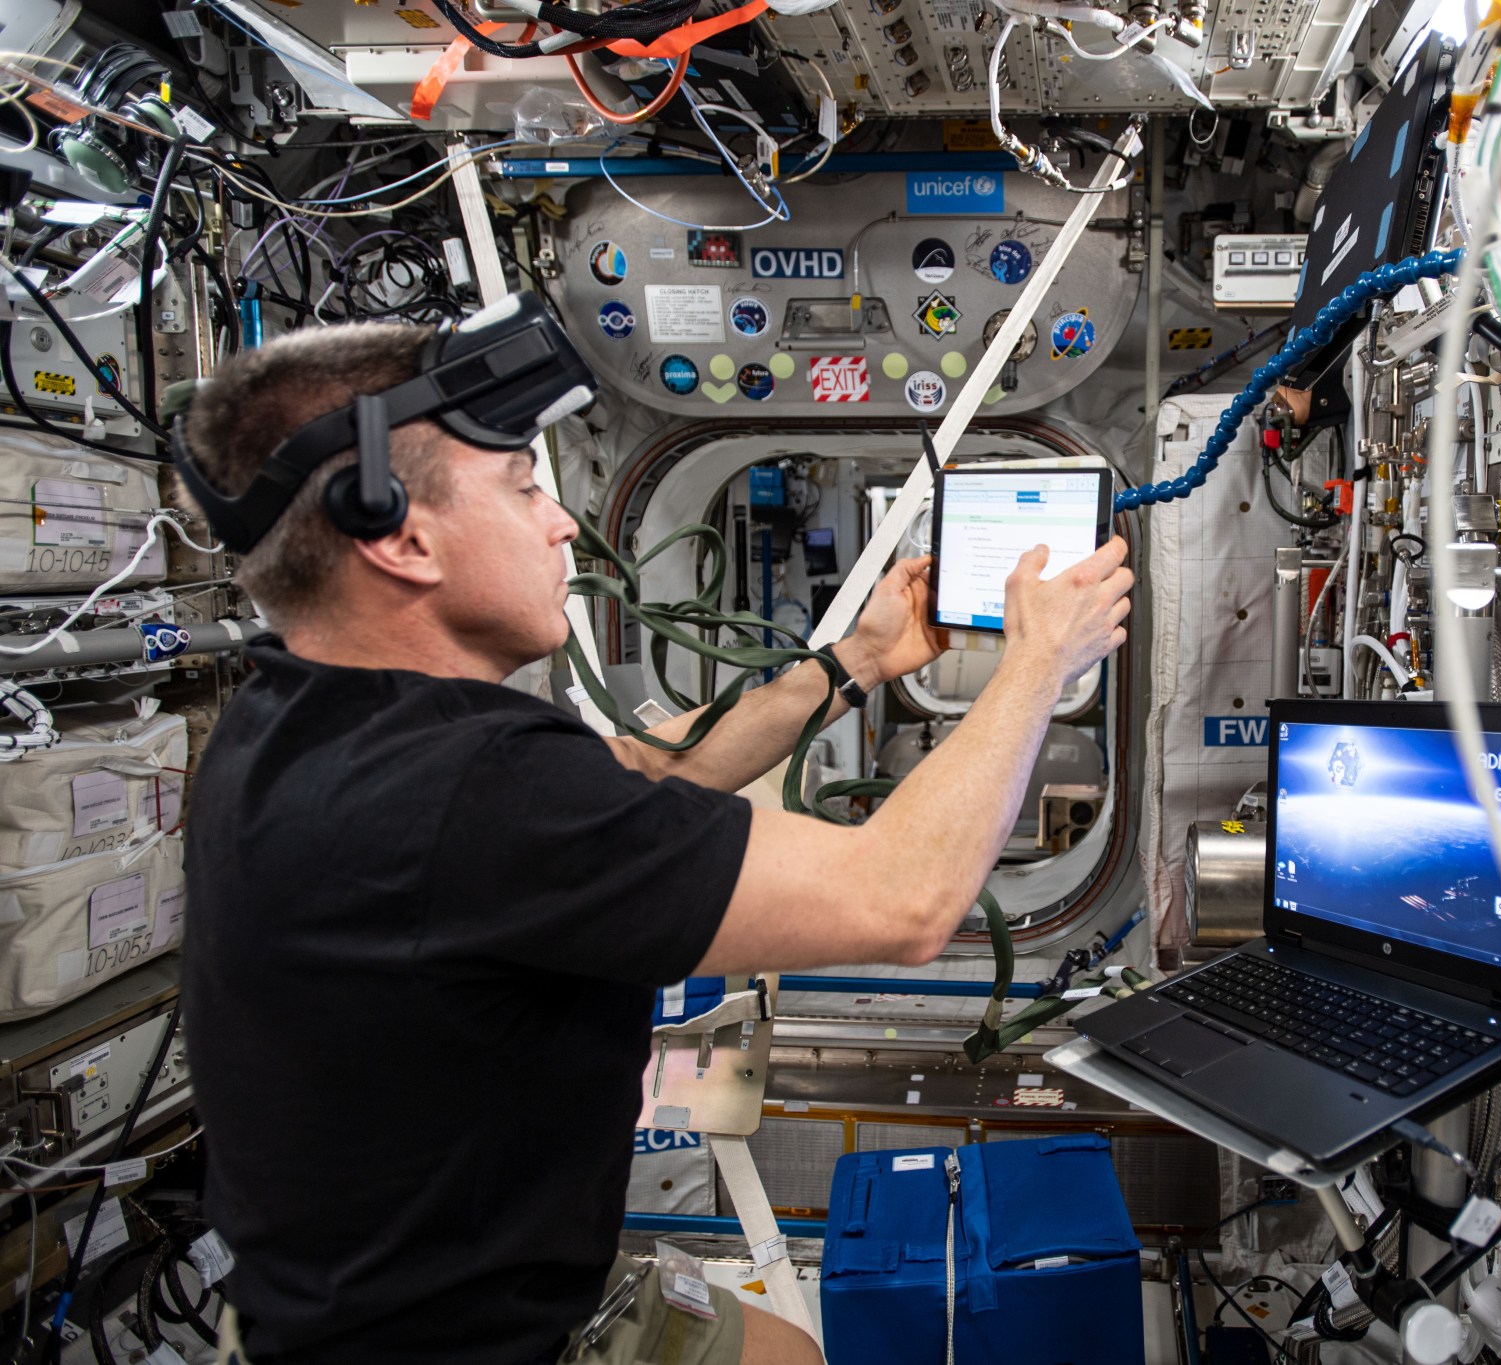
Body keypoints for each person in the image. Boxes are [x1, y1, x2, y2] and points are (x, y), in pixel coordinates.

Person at [172, 315, 1134, 1365]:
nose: (562, 529)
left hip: (360, 1299)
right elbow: (899, 905)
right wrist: (1040, 664)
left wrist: (855, 662)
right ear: (402, 536)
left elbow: (644, 772)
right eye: (520, 488)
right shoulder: (462, 791)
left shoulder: (301, 725)